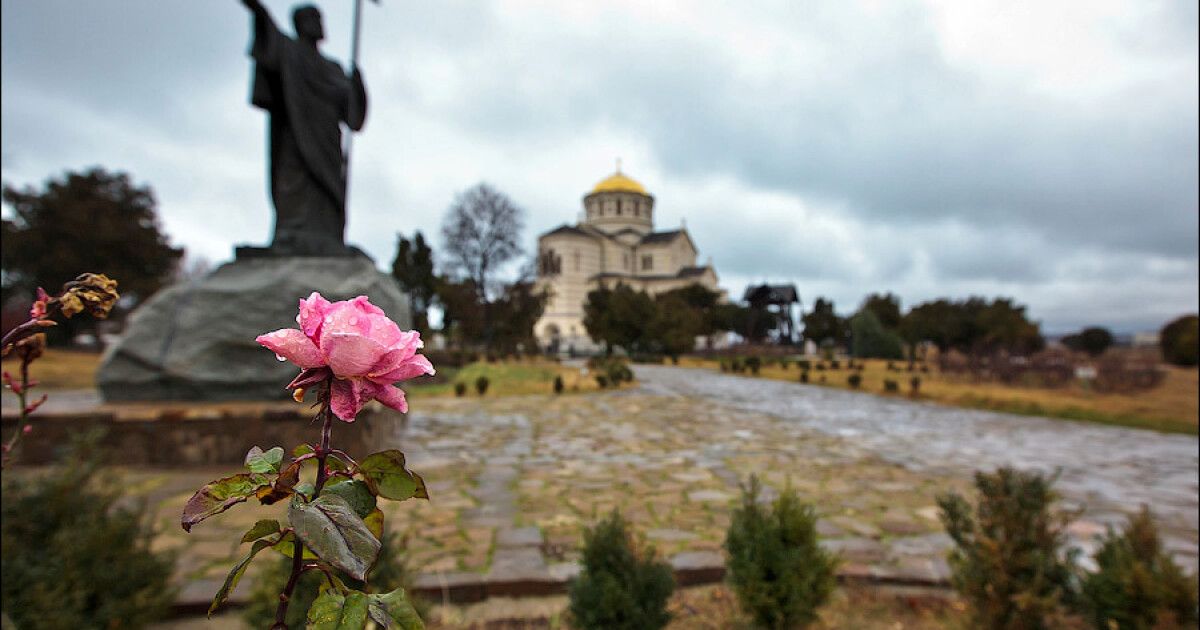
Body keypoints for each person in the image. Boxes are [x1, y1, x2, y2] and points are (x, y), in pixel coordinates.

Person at [240, 0, 368, 256]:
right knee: (295, 185)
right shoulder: (289, 51)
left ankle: (329, 238)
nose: (321, 25)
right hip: (296, 135)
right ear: (301, 24)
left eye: (321, 19)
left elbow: (352, 117)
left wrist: (356, 86)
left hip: (327, 141)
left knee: (327, 192)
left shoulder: (333, 68)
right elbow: (268, 32)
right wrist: (257, 9)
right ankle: (291, 236)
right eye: (314, 19)